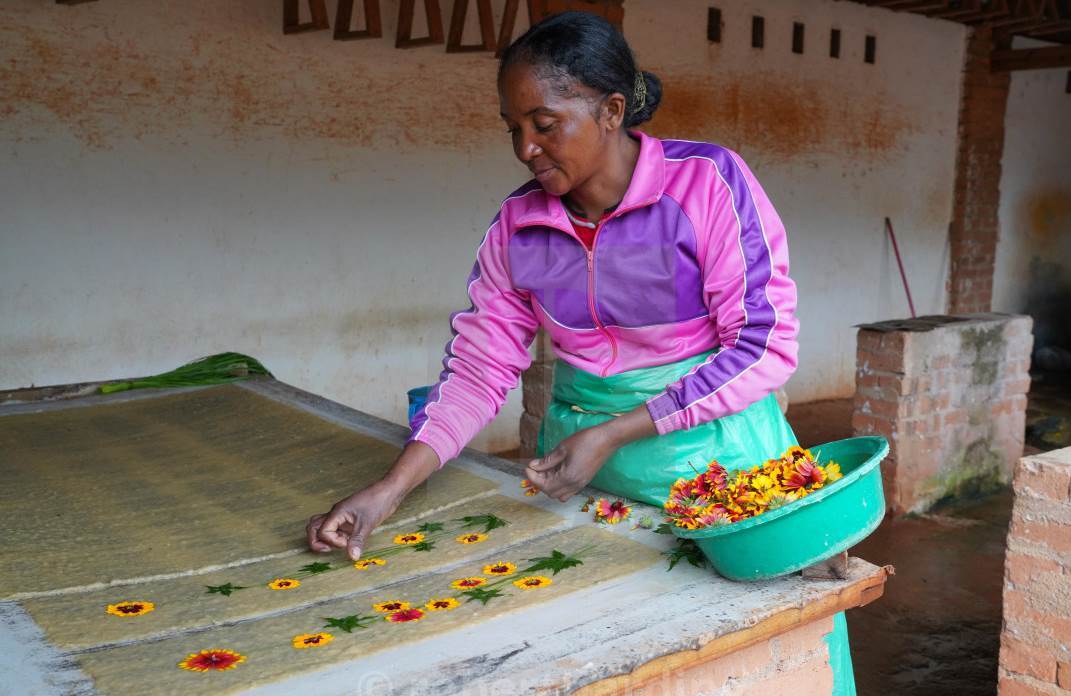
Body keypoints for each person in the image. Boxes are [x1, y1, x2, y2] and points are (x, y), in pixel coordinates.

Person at [307, 11, 854, 692]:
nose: (525, 149)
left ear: (610, 110)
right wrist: (388, 492)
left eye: (543, 123)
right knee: (613, 656)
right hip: (589, 478)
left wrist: (616, 432)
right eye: (513, 128)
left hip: (723, 471)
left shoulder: (706, 184)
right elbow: (479, 370)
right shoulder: (518, 225)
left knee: (740, 662)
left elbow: (764, 347)